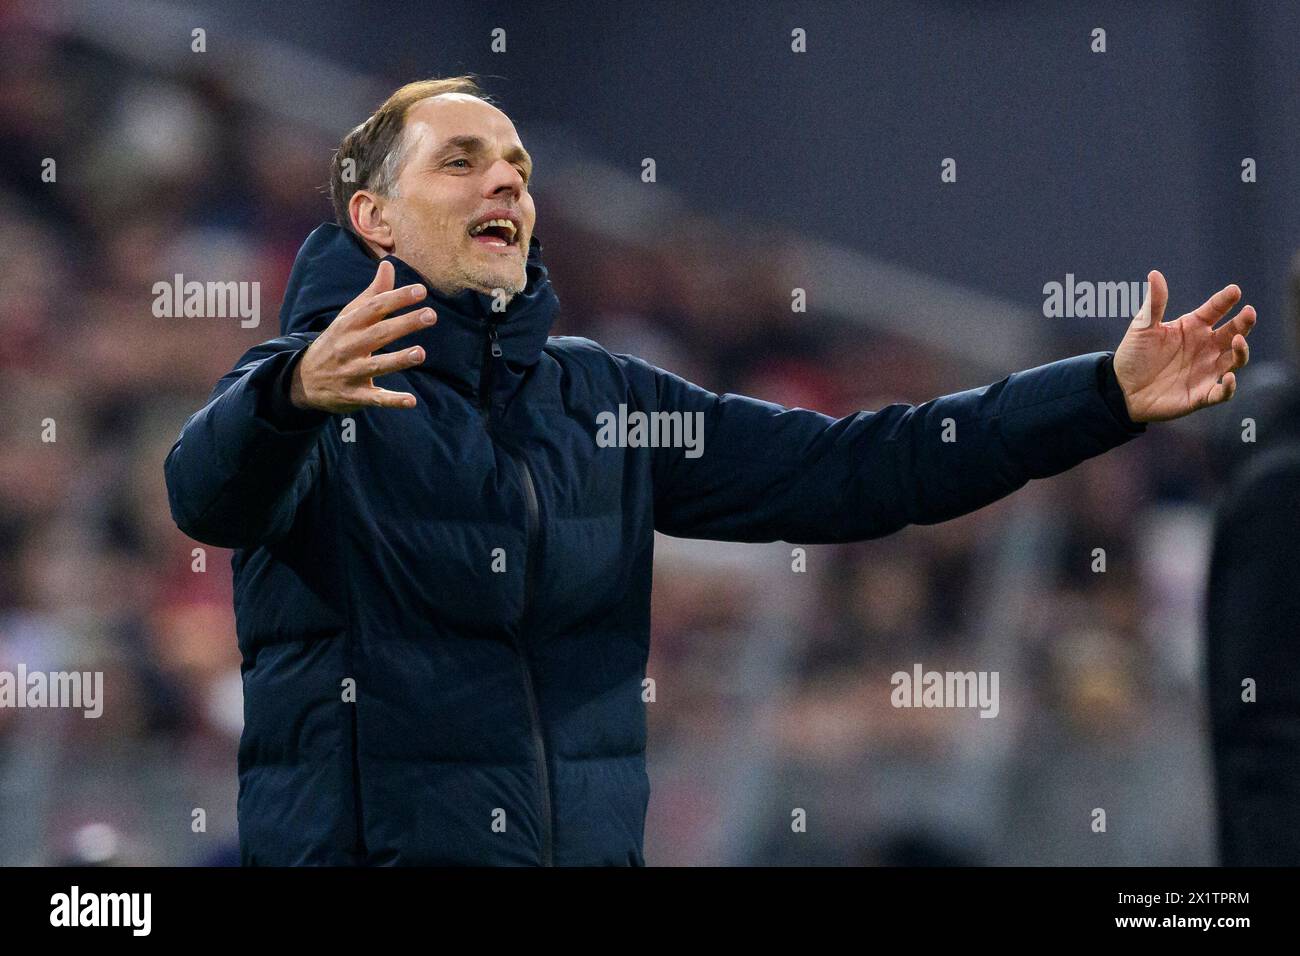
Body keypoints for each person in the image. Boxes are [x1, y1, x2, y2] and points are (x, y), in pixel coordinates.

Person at [163, 75, 1256, 865]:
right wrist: (289, 395)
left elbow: (855, 469)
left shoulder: (605, 401)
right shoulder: (300, 392)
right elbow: (204, 492)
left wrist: (1097, 395)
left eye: (518, 167)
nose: (505, 178)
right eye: (461, 160)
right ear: (374, 217)